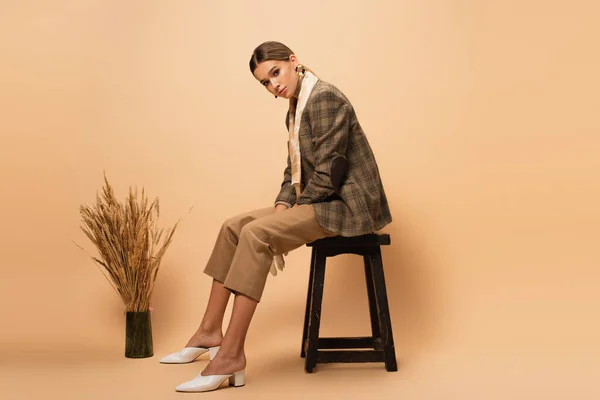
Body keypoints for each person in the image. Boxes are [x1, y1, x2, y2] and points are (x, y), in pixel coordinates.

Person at [160, 41, 392, 393]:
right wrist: (283, 206)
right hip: (317, 199)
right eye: (265, 83)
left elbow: (330, 172)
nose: (274, 86)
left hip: (346, 206)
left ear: (293, 61)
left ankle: (232, 354)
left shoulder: (325, 98)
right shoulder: (296, 107)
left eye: (275, 73)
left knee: (256, 234)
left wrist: (291, 212)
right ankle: (209, 332)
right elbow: (293, 170)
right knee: (233, 228)